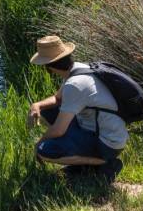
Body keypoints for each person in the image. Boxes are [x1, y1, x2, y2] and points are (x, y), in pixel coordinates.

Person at [27, 35, 127, 182]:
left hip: (107, 142)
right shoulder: (78, 69)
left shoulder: (74, 85)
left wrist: (38, 144)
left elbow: (58, 130)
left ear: (49, 67)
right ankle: (81, 160)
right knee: (46, 111)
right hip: (105, 131)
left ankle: (106, 163)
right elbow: (57, 99)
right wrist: (36, 106)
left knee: (44, 151)